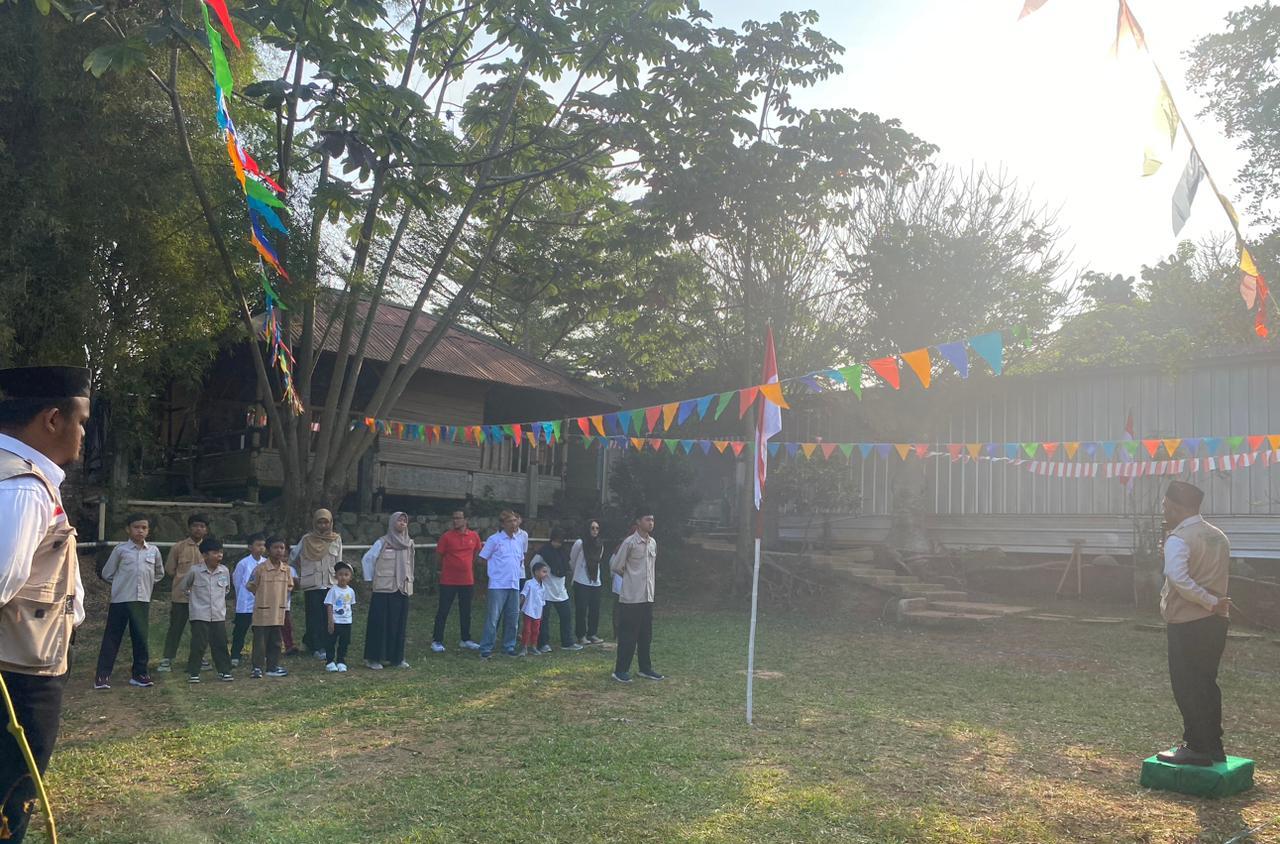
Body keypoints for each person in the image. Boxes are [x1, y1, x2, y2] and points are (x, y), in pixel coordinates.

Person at [0, 364, 91, 843]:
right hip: (18, 679)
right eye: (82, 422)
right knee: (9, 803)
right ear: (53, 419)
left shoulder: (22, 477)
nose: (83, 434)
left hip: (25, 663)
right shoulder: (21, 488)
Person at [1155, 480, 1232, 767]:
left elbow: (1179, 578)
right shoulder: (1217, 536)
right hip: (1216, 622)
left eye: (1166, 506)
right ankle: (1213, 744)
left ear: (1176, 508)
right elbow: (1208, 569)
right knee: (1206, 683)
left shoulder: (1179, 539)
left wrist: (1207, 601)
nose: (1164, 511)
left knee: (1186, 684)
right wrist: (1214, 604)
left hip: (1189, 621)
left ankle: (1196, 746)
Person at [94, 513, 164, 689]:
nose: (140, 531)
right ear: (128, 529)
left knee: (140, 638)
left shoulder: (153, 551)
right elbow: (107, 573)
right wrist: (122, 584)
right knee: (112, 637)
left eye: (144, 528)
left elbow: (159, 573)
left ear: (148, 530)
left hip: (142, 600)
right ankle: (102, 676)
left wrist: (145, 585)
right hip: (121, 600)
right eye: (136, 527)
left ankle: (140, 674)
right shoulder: (121, 550)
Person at [611, 509, 663, 683]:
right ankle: (620, 671)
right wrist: (631, 578)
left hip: (647, 596)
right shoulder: (630, 542)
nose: (651, 523)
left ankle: (645, 668)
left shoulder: (653, 543)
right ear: (638, 522)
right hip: (631, 598)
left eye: (652, 520)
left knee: (645, 635)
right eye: (647, 519)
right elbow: (616, 566)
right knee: (628, 636)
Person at [362, 512, 414, 670]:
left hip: (401, 589)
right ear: (392, 523)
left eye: (404, 521)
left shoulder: (409, 544)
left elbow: (411, 564)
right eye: (399, 520)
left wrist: (409, 581)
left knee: (398, 624)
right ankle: (373, 658)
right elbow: (368, 559)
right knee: (379, 624)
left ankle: (396, 658)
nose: (402, 523)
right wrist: (370, 580)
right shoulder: (382, 542)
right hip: (383, 589)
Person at [157, 513, 209, 672]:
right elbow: (170, 569)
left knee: (200, 630)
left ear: (206, 530)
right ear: (189, 528)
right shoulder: (178, 547)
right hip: (181, 597)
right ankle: (167, 659)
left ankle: (199, 658)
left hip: (202, 597)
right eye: (195, 526)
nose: (198, 529)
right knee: (176, 628)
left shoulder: (210, 548)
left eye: (202, 526)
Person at [179, 537, 233, 684]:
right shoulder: (195, 571)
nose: (219, 555)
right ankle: (194, 673)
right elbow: (184, 587)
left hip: (218, 614)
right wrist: (194, 599)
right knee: (198, 644)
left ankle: (224, 671)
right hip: (199, 614)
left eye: (220, 552)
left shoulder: (224, 571)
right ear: (204, 555)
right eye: (215, 552)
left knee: (220, 643)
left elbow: (226, 589)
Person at [292, 509, 342, 660]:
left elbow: (339, 561)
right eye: (319, 522)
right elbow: (293, 557)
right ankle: (316, 646)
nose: (323, 525)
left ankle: (324, 644)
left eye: (326, 522)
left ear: (331, 523)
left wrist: (340, 581)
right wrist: (297, 574)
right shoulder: (307, 539)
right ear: (314, 523)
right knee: (314, 616)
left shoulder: (336, 539)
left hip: (330, 583)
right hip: (312, 584)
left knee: (328, 616)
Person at [431, 509, 482, 652]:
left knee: (466, 611)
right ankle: (437, 640)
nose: (455, 521)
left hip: (467, 580)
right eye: (454, 518)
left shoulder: (474, 536)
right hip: (448, 580)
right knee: (443, 610)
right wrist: (441, 570)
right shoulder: (446, 537)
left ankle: (465, 639)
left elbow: (476, 553)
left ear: (466, 520)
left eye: (459, 518)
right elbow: (439, 556)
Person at [477, 510, 525, 659]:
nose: (513, 524)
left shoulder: (518, 540)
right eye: (510, 521)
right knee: (493, 618)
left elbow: (520, 560)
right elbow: (482, 558)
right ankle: (486, 648)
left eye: (515, 521)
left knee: (513, 618)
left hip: (514, 584)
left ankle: (509, 646)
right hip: (498, 584)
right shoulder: (494, 539)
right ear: (503, 524)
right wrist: (494, 571)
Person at [247, 536, 295, 678]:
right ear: (268, 550)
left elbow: (290, 587)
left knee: (276, 641)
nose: (279, 551)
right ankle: (257, 668)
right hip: (262, 612)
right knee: (260, 642)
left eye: (282, 548)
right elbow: (251, 586)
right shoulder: (260, 569)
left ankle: (272, 667)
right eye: (275, 547)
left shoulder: (286, 570)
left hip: (278, 612)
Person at [533, 527, 581, 653]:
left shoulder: (563, 552)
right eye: (556, 540)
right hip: (546, 589)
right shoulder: (543, 552)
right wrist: (539, 579)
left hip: (560, 589)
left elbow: (566, 566)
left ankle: (567, 642)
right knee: (544, 618)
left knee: (566, 616)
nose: (557, 543)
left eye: (560, 541)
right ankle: (543, 643)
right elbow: (533, 565)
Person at [230, 533, 266, 666]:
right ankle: (235, 655)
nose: (261, 548)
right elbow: (237, 581)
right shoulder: (243, 563)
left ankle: (261, 655)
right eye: (258, 545)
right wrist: (241, 597)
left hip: (261, 601)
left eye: (263, 545)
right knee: (240, 630)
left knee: (260, 631)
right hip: (245, 602)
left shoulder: (266, 563)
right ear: (250, 547)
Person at [571, 519, 605, 645]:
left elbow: (599, 559)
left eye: (597, 528)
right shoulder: (580, 543)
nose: (595, 531)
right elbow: (573, 559)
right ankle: (581, 635)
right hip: (581, 580)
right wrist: (577, 572)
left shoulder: (600, 544)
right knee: (581, 609)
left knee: (595, 609)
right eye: (592, 528)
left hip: (595, 581)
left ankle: (592, 633)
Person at [324, 562, 357, 672]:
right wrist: (330, 621)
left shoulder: (351, 591)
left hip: (346, 622)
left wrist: (350, 619)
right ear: (336, 576)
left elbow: (350, 605)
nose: (343, 577)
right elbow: (329, 605)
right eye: (340, 574)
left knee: (344, 642)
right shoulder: (333, 590)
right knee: (331, 641)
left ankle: (341, 661)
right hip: (335, 621)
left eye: (346, 574)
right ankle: (330, 661)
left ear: (350, 577)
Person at [518, 560, 549, 657]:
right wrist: (518, 606)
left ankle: (533, 646)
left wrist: (541, 613)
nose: (545, 574)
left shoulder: (543, 587)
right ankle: (524, 647)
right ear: (536, 572)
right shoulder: (529, 583)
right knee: (527, 630)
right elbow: (523, 595)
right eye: (543, 571)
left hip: (538, 612)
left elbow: (543, 601)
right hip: (528, 610)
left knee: (536, 630)